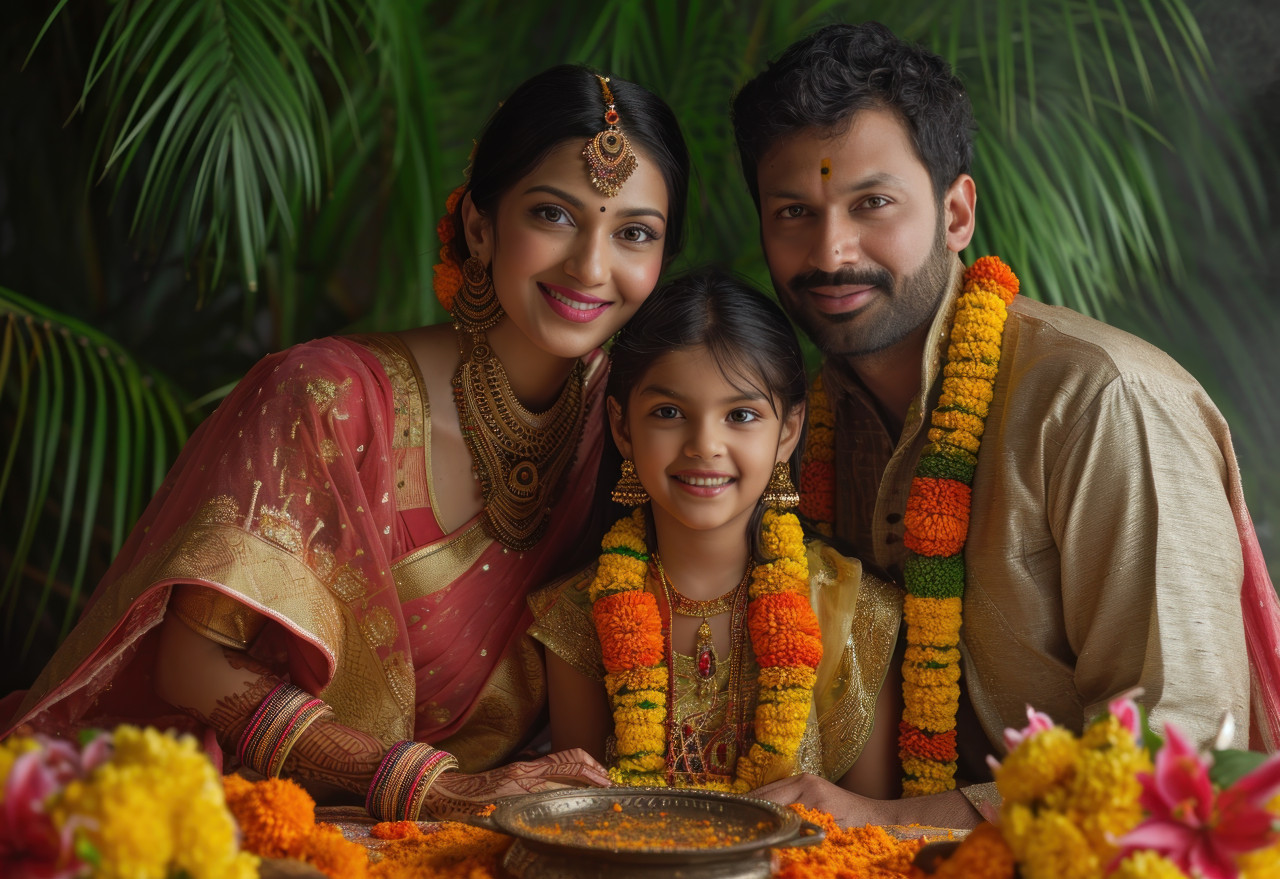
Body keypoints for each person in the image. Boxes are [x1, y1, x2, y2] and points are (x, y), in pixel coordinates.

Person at [1, 63, 691, 821]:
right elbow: (191, 662)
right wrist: (431, 787)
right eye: (554, 216)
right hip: (248, 816)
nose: (592, 266)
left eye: (633, 233)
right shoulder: (326, 398)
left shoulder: (636, 417)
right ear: (480, 227)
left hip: (487, 834)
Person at [729, 22, 1280, 827]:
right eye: (793, 212)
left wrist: (885, 822)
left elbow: (1176, 758)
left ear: (957, 213)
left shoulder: (1099, 402)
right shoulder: (792, 426)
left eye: (872, 203)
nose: (831, 249)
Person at [529, 268, 904, 796]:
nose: (704, 444)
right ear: (621, 427)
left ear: (788, 432)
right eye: (668, 412)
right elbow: (581, 815)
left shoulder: (851, 611)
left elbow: (876, 839)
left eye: (742, 415)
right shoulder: (578, 613)